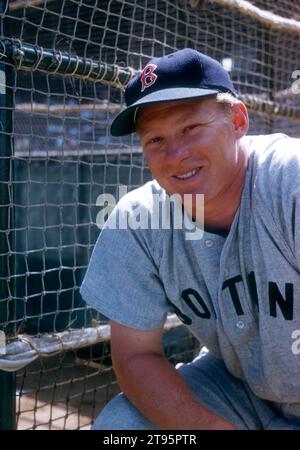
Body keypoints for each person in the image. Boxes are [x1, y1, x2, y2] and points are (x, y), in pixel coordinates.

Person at [80, 48, 300, 430]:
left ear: (238, 120)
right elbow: (135, 357)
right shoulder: (140, 220)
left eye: (190, 128)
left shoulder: (290, 181)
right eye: (154, 140)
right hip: (240, 390)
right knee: (122, 428)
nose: (175, 154)